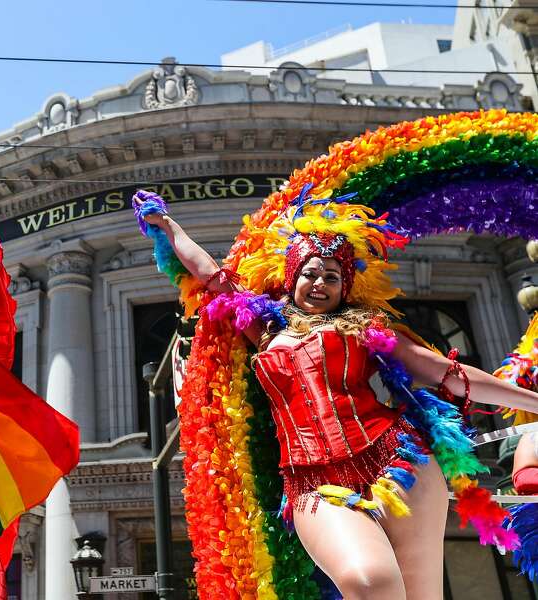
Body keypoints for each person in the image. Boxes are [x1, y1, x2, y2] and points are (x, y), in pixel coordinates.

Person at [134, 187, 538, 600]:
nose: (320, 283)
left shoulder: (366, 326)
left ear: (345, 287)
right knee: (369, 581)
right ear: (293, 278)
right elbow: (211, 276)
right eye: (311, 273)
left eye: (332, 276)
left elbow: (446, 374)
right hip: (311, 480)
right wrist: (167, 227)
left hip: (396, 462)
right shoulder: (267, 331)